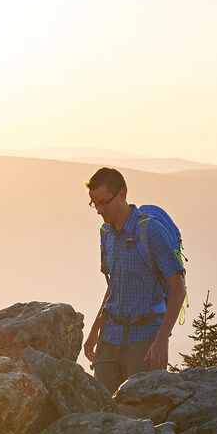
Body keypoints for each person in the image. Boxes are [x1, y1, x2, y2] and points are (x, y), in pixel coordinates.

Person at [82, 166, 186, 392]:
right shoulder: (106, 233)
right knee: (103, 410)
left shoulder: (150, 231)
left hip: (144, 340)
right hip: (110, 336)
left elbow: (177, 289)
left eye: (103, 202)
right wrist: (94, 330)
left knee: (139, 412)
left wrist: (161, 340)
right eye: (94, 204)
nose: (99, 210)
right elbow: (114, 287)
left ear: (122, 193)